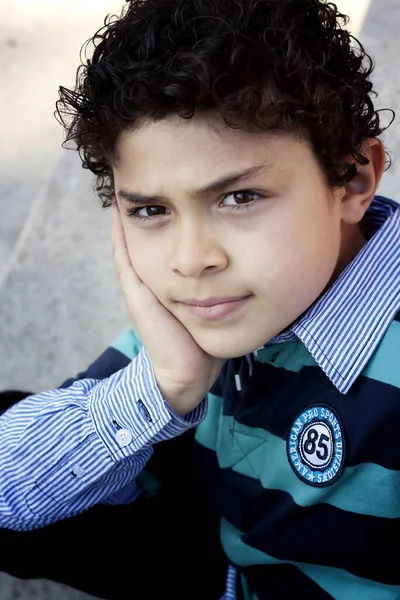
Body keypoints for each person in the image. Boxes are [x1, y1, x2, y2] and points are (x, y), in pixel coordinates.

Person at [1, 0, 399, 598]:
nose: (191, 260)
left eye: (238, 198)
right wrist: (166, 386)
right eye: (151, 210)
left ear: (353, 179)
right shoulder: (202, 315)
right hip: (216, 540)